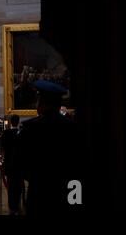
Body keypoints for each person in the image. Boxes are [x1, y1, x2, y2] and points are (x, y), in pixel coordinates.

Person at [17, 80, 80, 216]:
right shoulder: (72, 128)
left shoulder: (30, 129)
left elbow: (20, 166)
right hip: (66, 194)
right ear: (58, 105)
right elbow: (78, 167)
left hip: (38, 194)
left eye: (39, 99)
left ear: (42, 103)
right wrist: (77, 200)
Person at [1, 114, 23, 215]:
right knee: (19, 185)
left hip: (9, 163)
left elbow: (3, 147)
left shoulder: (6, 133)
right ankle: (18, 203)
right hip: (19, 163)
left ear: (11, 122)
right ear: (18, 122)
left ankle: (11, 205)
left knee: (10, 185)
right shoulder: (21, 133)